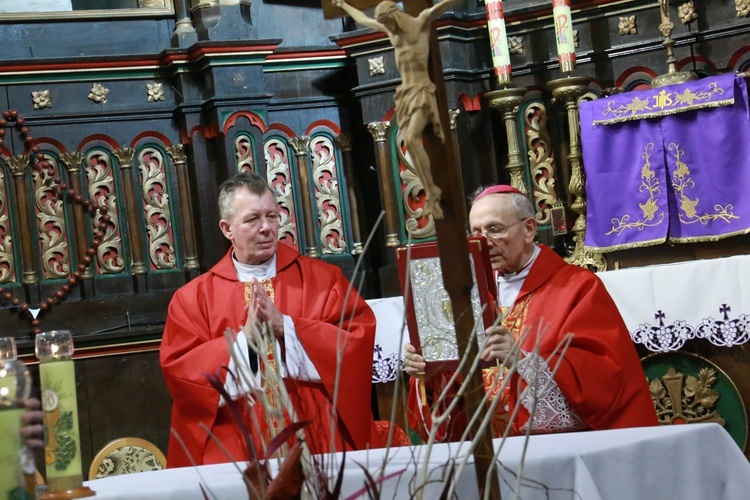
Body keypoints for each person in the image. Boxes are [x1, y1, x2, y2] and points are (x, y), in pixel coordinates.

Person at [160, 172, 383, 467]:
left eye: (272, 216)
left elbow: (357, 341)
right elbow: (180, 373)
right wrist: (244, 342)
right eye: (252, 219)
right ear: (227, 229)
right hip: (235, 447)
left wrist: (288, 328)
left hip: (316, 441)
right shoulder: (193, 298)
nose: (266, 228)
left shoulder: (323, 280)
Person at [404, 184, 658, 441]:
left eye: (495, 229)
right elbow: (459, 389)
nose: (482, 242)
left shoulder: (577, 288)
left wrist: (522, 360)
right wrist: (429, 374)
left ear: (528, 229)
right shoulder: (466, 295)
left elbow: (601, 380)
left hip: (552, 450)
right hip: (488, 453)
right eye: (476, 232)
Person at [333, 0, 461, 219]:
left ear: (394, 15)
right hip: (407, 94)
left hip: (422, 92)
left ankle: (433, 190)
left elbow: (441, 7)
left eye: (386, 21)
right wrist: (343, 5)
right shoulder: (393, 33)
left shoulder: (419, 22)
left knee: (412, 139)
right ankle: (432, 191)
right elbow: (364, 19)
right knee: (411, 141)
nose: (385, 26)